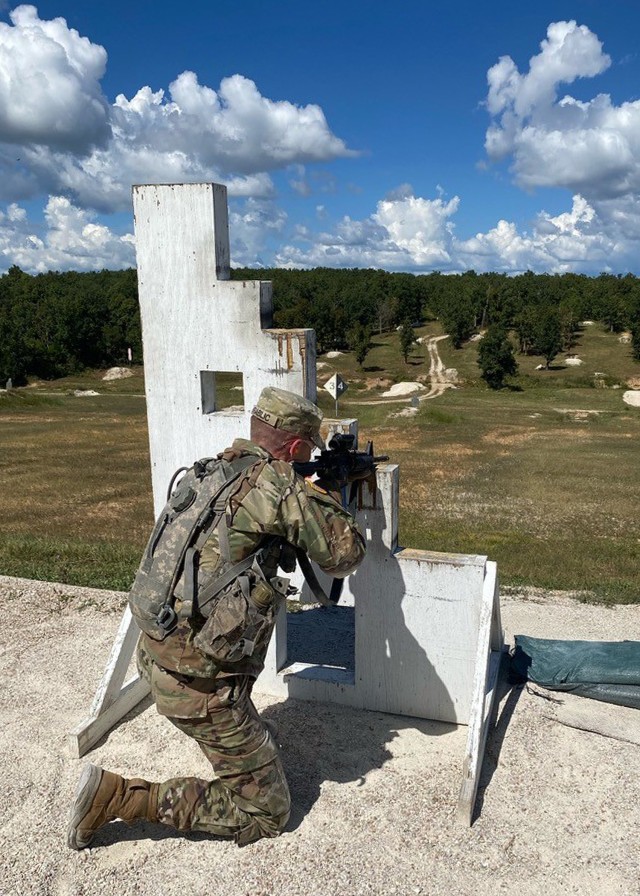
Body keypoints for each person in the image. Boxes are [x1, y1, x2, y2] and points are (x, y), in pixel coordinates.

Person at [68, 386, 366, 849]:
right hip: (199, 689)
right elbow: (345, 555)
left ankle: (237, 736)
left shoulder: (211, 471)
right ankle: (119, 799)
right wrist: (324, 496)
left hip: (159, 657)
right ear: (293, 447)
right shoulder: (278, 487)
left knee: (252, 740)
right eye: (306, 449)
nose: (304, 457)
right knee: (268, 814)